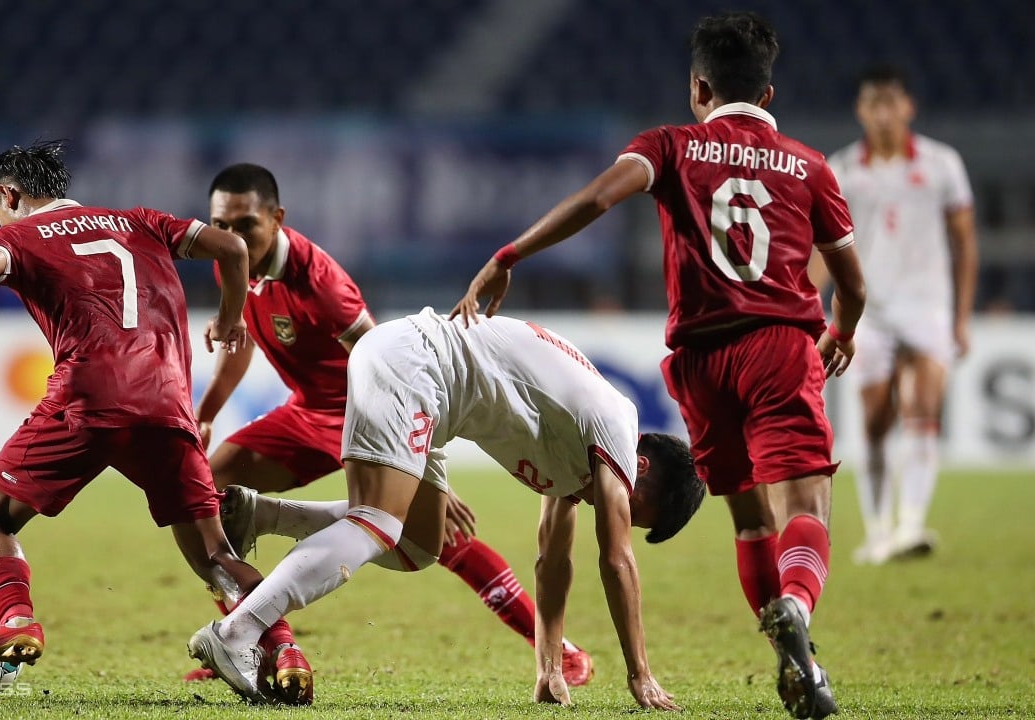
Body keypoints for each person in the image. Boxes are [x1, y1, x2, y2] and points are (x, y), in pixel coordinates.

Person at [450, 12, 865, 720]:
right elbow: (853, 283)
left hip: (701, 362)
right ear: (767, 96)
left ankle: (798, 665)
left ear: (698, 87)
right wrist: (841, 330)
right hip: (779, 343)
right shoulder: (810, 165)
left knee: (750, 522)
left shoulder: (671, 146)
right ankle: (796, 610)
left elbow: (596, 199)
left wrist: (509, 255)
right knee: (805, 506)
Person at [0, 142, 305, 704]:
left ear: (9, 195)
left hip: (87, 397)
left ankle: (17, 619)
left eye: (0, 207)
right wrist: (228, 321)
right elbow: (231, 246)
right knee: (216, 555)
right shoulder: (139, 221)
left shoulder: (11, 237)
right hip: (168, 403)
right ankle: (285, 647)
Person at [186, 163, 595, 688]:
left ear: (277, 218)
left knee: (428, 534)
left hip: (364, 411)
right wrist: (209, 412)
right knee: (206, 489)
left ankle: (561, 650)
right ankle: (269, 645)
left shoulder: (322, 285)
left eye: (246, 224)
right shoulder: (232, 259)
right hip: (305, 410)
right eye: (223, 224)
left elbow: (389, 366)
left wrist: (418, 464)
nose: (234, 237)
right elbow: (238, 340)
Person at [186, 308, 705, 710]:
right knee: (378, 522)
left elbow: (553, 561)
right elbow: (616, 559)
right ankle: (239, 631)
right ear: (642, 465)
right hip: (417, 367)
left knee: (418, 545)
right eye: (635, 507)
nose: (616, 512)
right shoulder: (615, 422)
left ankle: (262, 516)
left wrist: (548, 664)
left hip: (420, 380)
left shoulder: (580, 452)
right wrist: (640, 673)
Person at [818, 64, 978, 564]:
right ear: (860, 110)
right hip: (870, 311)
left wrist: (961, 317)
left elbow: (965, 241)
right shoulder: (843, 170)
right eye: (873, 103)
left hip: (927, 304)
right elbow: (824, 249)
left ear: (908, 106)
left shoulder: (941, 164)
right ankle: (879, 530)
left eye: (891, 102)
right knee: (874, 420)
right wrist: (809, 310)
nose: (883, 113)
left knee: (924, 407)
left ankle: (910, 525)